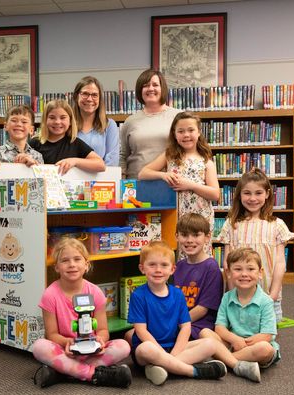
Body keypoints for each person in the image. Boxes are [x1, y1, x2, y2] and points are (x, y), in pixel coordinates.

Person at [32, 238, 131, 388]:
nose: (72, 264)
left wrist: (100, 340)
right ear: (57, 267)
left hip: (92, 350)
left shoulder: (95, 292)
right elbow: (51, 335)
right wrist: (67, 342)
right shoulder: (50, 295)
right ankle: (95, 374)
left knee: (123, 346)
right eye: (65, 260)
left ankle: (63, 372)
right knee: (39, 347)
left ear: (86, 265)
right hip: (65, 349)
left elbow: (103, 330)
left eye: (77, 259)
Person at [127, 240, 227, 386]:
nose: (158, 270)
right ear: (142, 268)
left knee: (211, 344)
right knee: (146, 349)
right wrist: (160, 352)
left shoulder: (178, 294)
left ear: (172, 269)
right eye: (152, 264)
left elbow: (186, 327)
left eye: (164, 265)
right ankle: (191, 371)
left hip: (173, 347)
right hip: (149, 348)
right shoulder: (138, 295)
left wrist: (173, 354)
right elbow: (141, 331)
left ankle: (162, 367)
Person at [218, 168, 294, 322]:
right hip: (238, 297)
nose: (252, 198)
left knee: (267, 337)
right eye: (247, 193)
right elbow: (228, 264)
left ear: (267, 194)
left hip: (268, 296)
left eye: (258, 193)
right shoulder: (231, 225)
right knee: (238, 333)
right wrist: (233, 294)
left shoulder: (277, 225)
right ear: (239, 195)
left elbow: (280, 263)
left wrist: (272, 295)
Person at [138, 111, 220, 255]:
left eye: (191, 130)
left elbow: (215, 194)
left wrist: (190, 185)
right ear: (174, 134)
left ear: (199, 132)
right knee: (178, 254)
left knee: (200, 254)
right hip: (177, 216)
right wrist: (163, 175)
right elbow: (143, 173)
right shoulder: (170, 156)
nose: (186, 135)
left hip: (201, 217)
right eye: (181, 131)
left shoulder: (206, 161)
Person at [200, 247, 281, 383]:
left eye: (250, 269)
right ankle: (235, 362)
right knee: (205, 333)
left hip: (255, 345)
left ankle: (224, 359)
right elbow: (219, 328)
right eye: (238, 269)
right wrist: (234, 340)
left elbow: (267, 335)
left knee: (265, 349)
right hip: (232, 342)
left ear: (260, 273)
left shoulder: (266, 301)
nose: (244, 274)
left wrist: (244, 343)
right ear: (229, 273)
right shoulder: (227, 297)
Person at [119, 69, 182, 179]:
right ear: (140, 90)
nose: (151, 88)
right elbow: (123, 155)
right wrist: (122, 183)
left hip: (169, 182)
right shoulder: (130, 121)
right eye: (146, 85)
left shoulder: (178, 117)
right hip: (136, 182)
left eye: (155, 85)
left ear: (162, 88)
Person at [173, 213, 222, 339]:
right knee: (132, 336)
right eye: (184, 235)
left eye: (195, 235)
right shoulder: (178, 267)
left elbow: (203, 309)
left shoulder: (211, 267)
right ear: (177, 237)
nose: (189, 240)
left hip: (199, 325)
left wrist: (177, 323)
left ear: (207, 237)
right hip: (178, 322)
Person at [29, 99, 105, 175]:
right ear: (45, 120)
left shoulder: (75, 143)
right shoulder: (35, 142)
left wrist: (74, 161)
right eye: (52, 118)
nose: (57, 122)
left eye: (63, 118)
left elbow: (101, 165)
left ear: (70, 121)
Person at [72, 76, 119, 166]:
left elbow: (112, 161)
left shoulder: (109, 125)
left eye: (94, 95)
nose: (89, 99)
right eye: (85, 94)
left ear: (100, 99)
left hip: (101, 178)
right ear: (76, 96)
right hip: (71, 177)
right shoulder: (67, 125)